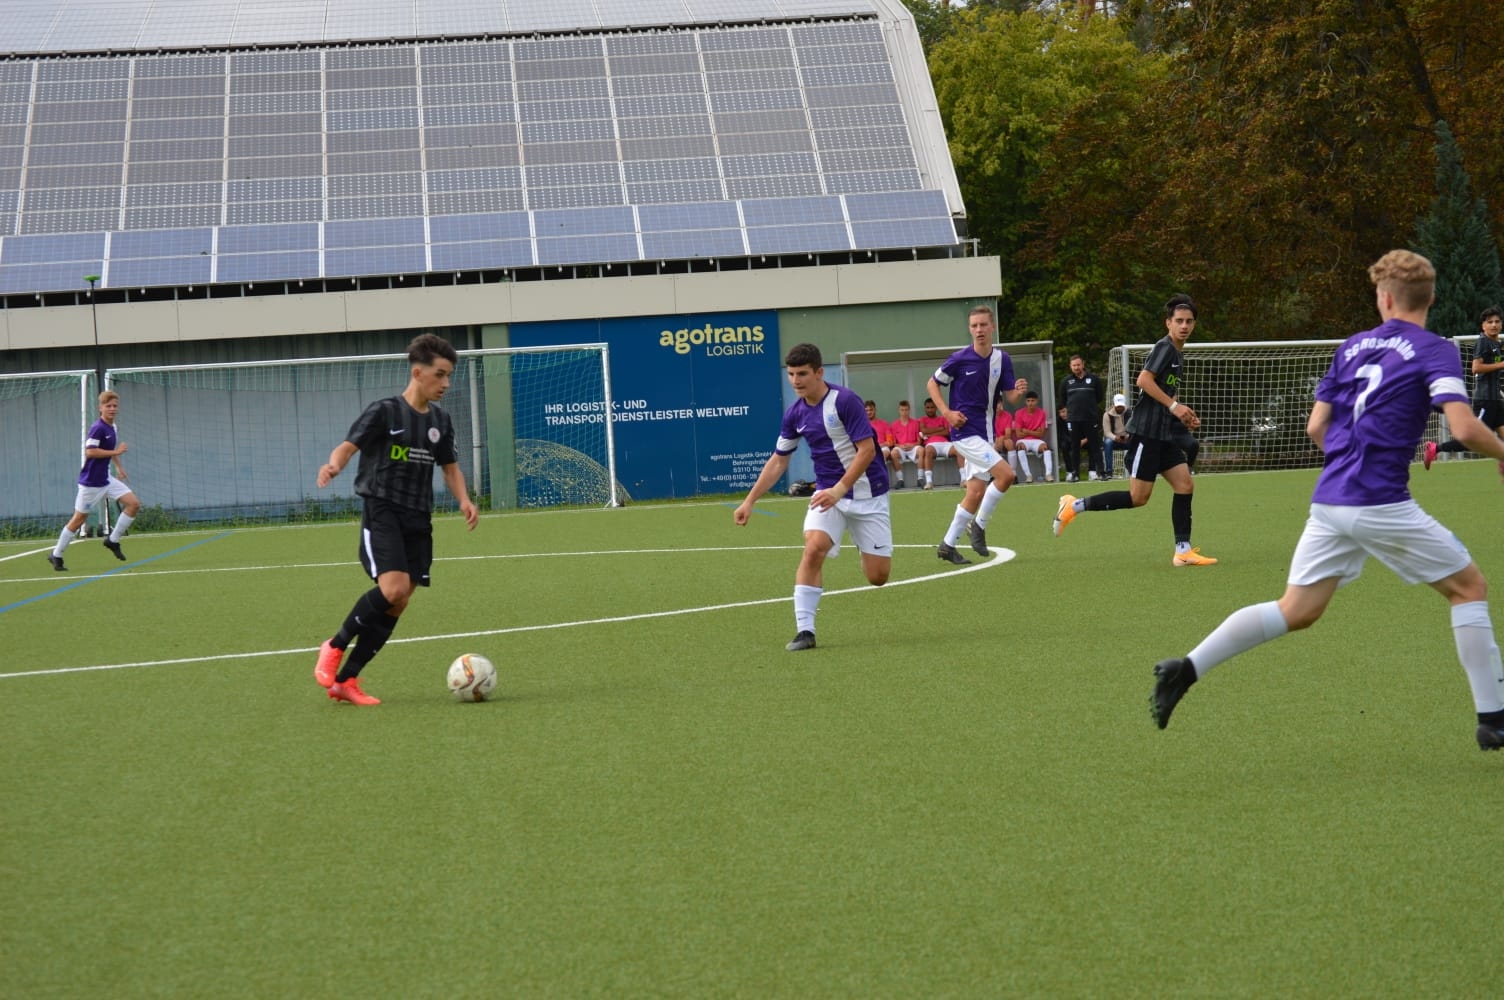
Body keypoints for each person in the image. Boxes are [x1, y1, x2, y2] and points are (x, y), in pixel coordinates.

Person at [1150, 249, 1504, 752]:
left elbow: (1316, 426)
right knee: (1469, 588)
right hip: (1380, 500)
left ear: (1384, 299)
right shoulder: (1436, 350)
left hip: (1331, 498)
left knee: (1297, 609)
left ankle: (1185, 668)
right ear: (1429, 299)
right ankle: (1494, 719)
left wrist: (1348, 460)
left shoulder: (1353, 346)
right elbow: (1464, 429)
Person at [313, 332, 480, 705]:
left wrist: (465, 500)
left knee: (399, 602)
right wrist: (334, 465)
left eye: (449, 376)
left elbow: (450, 468)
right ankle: (334, 645)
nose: (446, 384)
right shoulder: (384, 411)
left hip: (418, 517)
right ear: (418, 373)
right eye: (440, 375)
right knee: (393, 590)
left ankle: (346, 681)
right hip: (383, 508)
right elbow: (347, 447)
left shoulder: (441, 420)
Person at [734, 343, 891, 651]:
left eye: (803, 374)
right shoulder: (794, 414)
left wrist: (840, 489)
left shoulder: (845, 401)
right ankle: (805, 630)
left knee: (878, 577)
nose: (796, 380)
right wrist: (749, 501)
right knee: (814, 548)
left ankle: (862, 544)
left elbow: (867, 450)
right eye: (791, 374)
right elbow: (779, 460)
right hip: (826, 493)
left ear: (819, 372)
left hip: (869, 494)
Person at [1053, 294, 1217, 567]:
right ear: (1168, 323)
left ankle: (1183, 551)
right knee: (1138, 498)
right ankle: (1074, 505)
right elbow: (1143, 380)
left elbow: (1164, 393)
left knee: (1185, 484)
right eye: (1179, 321)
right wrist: (1175, 406)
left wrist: (1181, 414)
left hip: (1163, 434)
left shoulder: (1177, 353)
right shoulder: (1165, 347)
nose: (1184, 326)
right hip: (1146, 434)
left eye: (1189, 321)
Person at [926, 304, 1028, 564]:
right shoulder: (959, 358)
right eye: (974, 325)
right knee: (1007, 475)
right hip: (964, 433)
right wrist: (947, 413)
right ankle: (979, 526)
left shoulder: (1002, 359)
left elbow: (1010, 397)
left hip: (985, 434)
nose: (979, 329)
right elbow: (932, 383)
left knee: (975, 492)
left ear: (992, 327)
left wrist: (1018, 391)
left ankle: (947, 545)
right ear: (970, 329)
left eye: (983, 324)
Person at [48, 389, 141, 571]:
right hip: (91, 483)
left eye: (114, 406)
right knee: (78, 520)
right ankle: (56, 554)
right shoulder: (98, 428)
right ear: (100, 408)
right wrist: (116, 452)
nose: (112, 409)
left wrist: (119, 466)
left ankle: (112, 540)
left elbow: (110, 448)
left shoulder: (113, 427)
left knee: (134, 504)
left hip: (106, 479)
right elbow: (90, 451)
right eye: (108, 406)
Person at [1426, 305, 1504, 467]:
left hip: (1496, 399)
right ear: (1483, 325)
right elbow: (1476, 368)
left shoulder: (1496, 344)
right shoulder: (1483, 343)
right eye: (1490, 322)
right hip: (1486, 399)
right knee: (1474, 439)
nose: (1494, 325)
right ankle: (1436, 448)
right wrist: (1501, 365)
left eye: (1497, 321)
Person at [1058, 354, 1105, 482]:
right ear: (1070, 366)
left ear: (1083, 364)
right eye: (1074, 365)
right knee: (1075, 447)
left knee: (1095, 445)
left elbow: (1099, 397)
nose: (1076, 367)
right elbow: (1063, 400)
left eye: (1078, 365)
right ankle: (1075, 474)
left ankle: (1101, 472)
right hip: (1073, 419)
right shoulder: (1066, 381)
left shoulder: (1094, 379)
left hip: (1090, 418)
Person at [918, 397, 962, 489]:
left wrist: (930, 434)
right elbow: (924, 431)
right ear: (925, 408)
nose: (930, 410)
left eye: (932, 407)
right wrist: (940, 428)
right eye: (928, 407)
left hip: (945, 443)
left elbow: (947, 432)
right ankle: (929, 482)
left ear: (936, 408)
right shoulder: (922, 420)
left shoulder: (943, 418)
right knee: (928, 451)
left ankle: (964, 479)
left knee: (959, 449)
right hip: (931, 445)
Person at [1012, 390, 1054, 484]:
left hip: (1037, 441)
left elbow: (1041, 434)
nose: (1030, 403)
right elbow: (1018, 434)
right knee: (1020, 448)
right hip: (1023, 440)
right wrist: (1035, 432)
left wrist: (1026, 431)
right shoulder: (1019, 413)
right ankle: (1028, 476)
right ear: (1025, 402)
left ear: (1037, 401)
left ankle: (1048, 474)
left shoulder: (1042, 413)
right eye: (1028, 401)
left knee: (1046, 449)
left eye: (1032, 401)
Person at [865, 399, 900, 485]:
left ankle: (882, 480)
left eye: (871, 410)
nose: (869, 412)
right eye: (866, 410)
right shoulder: (862, 425)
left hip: (883, 448)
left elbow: (890, 442)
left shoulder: (884, 424)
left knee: (881, 454)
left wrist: (878, 446)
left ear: (875, 410)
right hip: (868, 449)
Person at [889, 400, 922, 489]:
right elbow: (893, 443)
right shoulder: (894, 425)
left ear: (909, 410)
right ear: (899, 410)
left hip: (913, 447)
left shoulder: (916, 423)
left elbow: (919, 441)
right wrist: (900, 446)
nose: (904, 412)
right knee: (893, 453)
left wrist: (912, 445)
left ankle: (920, 478)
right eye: (902, 410)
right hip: (901, 448)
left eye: (906, 410)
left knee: (921, 450)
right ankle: (900, 480)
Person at [1101, 393, 1130, 480]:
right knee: (1107, 442)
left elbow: (1134, 429)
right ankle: (1109, 472)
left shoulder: (1130, 413)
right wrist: (1115, 438)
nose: (1119, 408)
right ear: (1114, 404)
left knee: (1138, 441)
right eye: (1118, 406)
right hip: (1114, 440)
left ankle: (1135, 469)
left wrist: (1127, 436)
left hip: (1127, 439)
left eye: (1121, 406)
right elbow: (1107, 432)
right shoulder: (1107, 415)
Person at [993, 404, 1019, 481]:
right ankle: (993, 475)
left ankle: (1013, 474)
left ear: (1001, 404)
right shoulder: (987, 415)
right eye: (995, 403)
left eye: (998, 403)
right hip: (991, 441)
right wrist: (996, 440)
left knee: (1009, 442)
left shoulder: (1007, 415)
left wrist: (1001, 438)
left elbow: (1008, 434)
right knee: (991, 446)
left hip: (1002, 441)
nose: (997, 406)